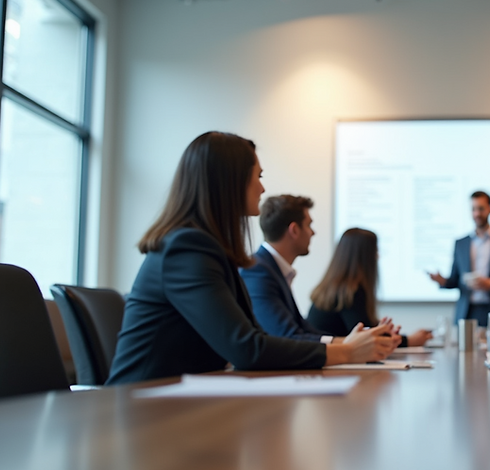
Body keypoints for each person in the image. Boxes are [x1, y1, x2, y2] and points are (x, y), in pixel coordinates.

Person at [107, 132, 397, 385]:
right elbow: (246, 349)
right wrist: (346, 351)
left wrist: (346, 346)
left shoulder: (207, 247)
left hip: (176, 403)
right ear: (229, 183)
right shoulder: (187, 248)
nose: (262, 188)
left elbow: (256, 337)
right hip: (142, 410)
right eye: (257, 177)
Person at [308, 228, 433, 347]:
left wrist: (385, 331)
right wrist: (409, 340)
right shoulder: (351, 292)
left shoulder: (336, 289)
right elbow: (367, 339)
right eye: (375, 251)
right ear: (365, 256)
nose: (377, 256)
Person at [240, 194, 338, 343]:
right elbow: (286, 336)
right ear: (294, 230)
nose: (313, 232)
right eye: (308, 225)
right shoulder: (257, 272)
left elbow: (303, 329)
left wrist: (350, 342)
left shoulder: (273, 268)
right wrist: (350, 347)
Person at [428, 191, 490, 326]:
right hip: (467, 312)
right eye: (473, 209)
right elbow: (455, 280)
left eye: (481, 209)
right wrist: (442, 281)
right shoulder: (461, 244)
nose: (477, 213)